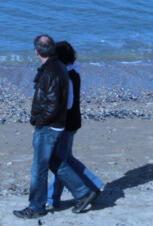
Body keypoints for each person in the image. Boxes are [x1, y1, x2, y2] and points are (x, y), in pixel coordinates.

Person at [13, 35, 97, 219]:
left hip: (49, 125)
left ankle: (36, 207)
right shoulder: (59, 68)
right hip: (56, 124)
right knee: (54, 161)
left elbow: (54, 103)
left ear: (36, 51)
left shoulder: (53, 70)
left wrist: (39, 120)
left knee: (39, 167)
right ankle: (83, 193)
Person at [48, 41, 103, 207]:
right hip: (71, 122)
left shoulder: (68, 75)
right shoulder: (73, 70)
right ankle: (93, 185)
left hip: (66, 124)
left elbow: (68, 104)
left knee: (59, 161)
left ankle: (55, 198)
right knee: (64, 159)